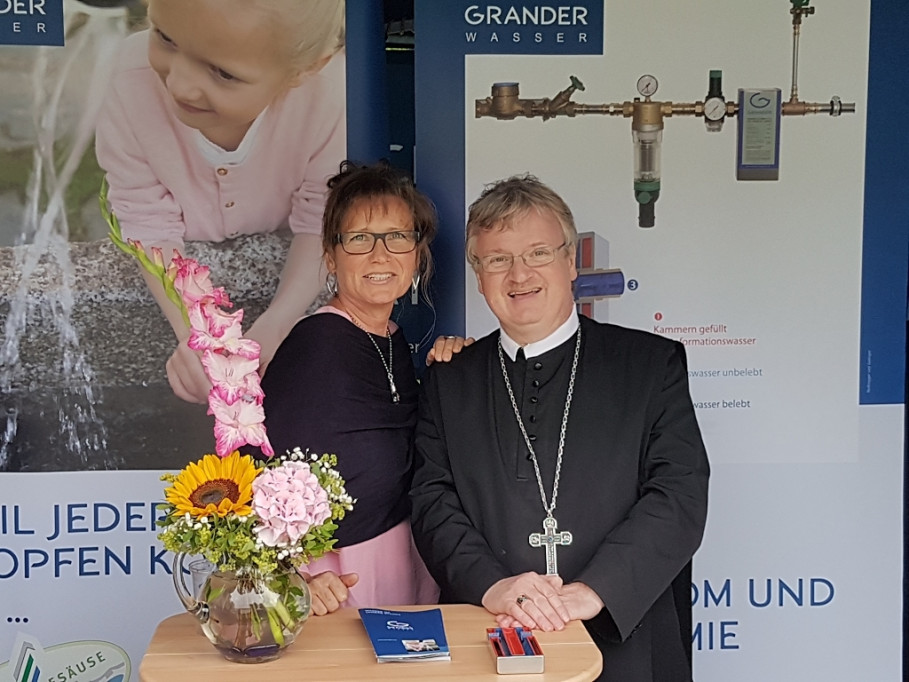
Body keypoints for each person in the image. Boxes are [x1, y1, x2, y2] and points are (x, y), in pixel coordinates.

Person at [410, 174, 710, 682]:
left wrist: (592, 592)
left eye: (538, 253)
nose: (518, 273)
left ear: (571, 262)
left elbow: (678, 494)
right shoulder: (449, 380)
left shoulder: (649, 364)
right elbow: (431, 499)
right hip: (493, 631)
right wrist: (493, 585)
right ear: (479, 277)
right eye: (497, 259)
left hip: (624, 634)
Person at [95, 0, 346, 404]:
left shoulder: (333, 94)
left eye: (224, 73)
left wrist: (279, 321)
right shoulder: (130, 78)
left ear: (306, 69)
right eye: (165, 37)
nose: (179, 84)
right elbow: (146, 217)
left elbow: (322, 214)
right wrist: (197, 332)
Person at [259, 160, 457, 615]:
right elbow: (259, 467)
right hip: (338, 578)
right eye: (360, 239)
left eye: (398, 237)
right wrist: (296, 575)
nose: (380, 255)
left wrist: (454, 365)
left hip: (401, 557)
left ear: (417, 254)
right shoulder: (317, 344)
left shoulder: (391, 337)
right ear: (331, 256)